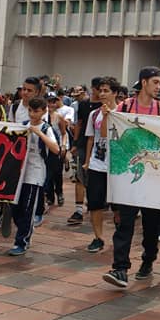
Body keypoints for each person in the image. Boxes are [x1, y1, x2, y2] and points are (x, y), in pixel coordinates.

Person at [103, 66, 160, 288]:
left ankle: (148, 260)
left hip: (153, 178)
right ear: (144, 82)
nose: (158, 87)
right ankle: (120, 268)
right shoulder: (125, 107)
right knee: (125, 223)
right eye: (155, 82)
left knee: (151, 226)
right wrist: (107, 117)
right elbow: (106, 134)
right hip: (128, 176)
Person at [7, 97, 61, 256]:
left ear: (43, 111)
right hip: (19, 173)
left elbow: (55, 149)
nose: (32, 114)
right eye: (30, 110)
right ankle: (24, 230)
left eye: (36, 111)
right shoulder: (23, 125)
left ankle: (21, 241)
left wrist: (39, 133)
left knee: (28, 208)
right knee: (16, 207)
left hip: (35, 173)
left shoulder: (46, 128)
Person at [83, 77, 121, 253]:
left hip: (117, 166)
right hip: (97, 164)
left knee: (118, 206)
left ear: (115, 93)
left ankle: (120, 234)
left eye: (106, 91)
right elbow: (91, 138)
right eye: (101, 90)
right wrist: (87, 160)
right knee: (95, 203)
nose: (102, 94)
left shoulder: (122, 113)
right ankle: (98, 237)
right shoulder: (94, 114)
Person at [70, 78, 103, 226]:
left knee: (94, 179)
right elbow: (79, 123)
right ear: (92, 88)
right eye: (98, 89)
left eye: (104, 89)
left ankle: (95, 205)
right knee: (80, 176)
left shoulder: (105, 106)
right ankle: (78, 210)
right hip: (83, 144)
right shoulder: (83, 104)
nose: (101, 92)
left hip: (100, 147)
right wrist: (75, 143)